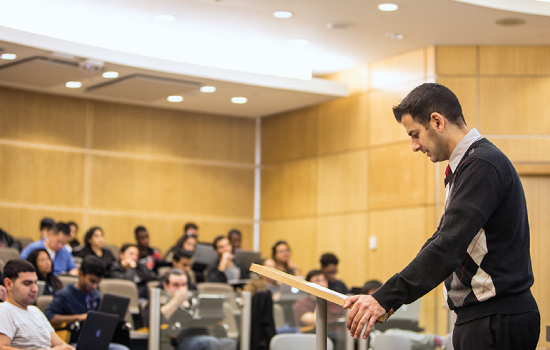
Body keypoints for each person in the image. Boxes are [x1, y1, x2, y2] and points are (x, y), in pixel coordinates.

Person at [345, 83, 540, 350]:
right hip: (485, 317)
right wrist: (390, 299)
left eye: (415, 134)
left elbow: (449, 244)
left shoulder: (481, 164)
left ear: (437, 121)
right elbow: (440, 238)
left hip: (496, 319)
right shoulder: (467, 165)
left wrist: (386, 296)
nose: (414, 146)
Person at [44, 256, 129, 350]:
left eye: (97, 283)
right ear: (81, 274)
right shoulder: (65, 295)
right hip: (73, 341)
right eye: (91, 281)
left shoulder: (95, 295)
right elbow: (49, 318)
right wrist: (79, 317)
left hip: (94, 339)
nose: (94, 286)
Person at [143, 269, 235, 350]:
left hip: (204, 335)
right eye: (176, 285)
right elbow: (152, 322)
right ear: (166, 286)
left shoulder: (195, 300)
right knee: (210, 342)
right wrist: (175, 302)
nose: (181, 289)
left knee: (230, 343)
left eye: (184, 285)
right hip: (181, 340)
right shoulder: (158, 301)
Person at [0, 259, 74, 350]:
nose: (35, 289)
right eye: (27, 284)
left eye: (35, 283)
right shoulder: (4, 310)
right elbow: (2, 347)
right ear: (9, 284)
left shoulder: (35, 311)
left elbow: (63, 345)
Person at [294, 270, 346, 350]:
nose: (322, 284)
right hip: (314, 338)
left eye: (324, 280)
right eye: (317, 281)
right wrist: (319, 298)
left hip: (339, 337)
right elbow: (313, 321)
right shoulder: (301, 303)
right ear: (308, 285)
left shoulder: (335, 302)